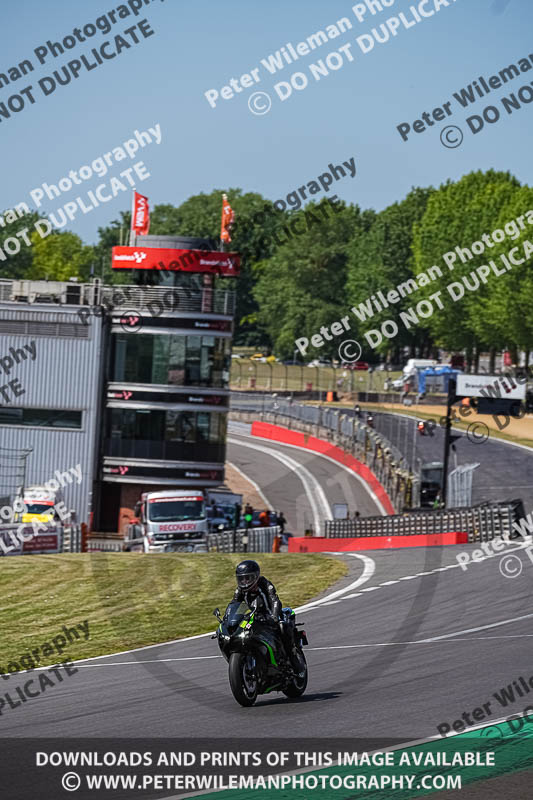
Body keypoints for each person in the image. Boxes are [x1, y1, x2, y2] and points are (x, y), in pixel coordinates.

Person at [233, 560, 299, 670]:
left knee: (283, 627)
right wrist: (230, 620)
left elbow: (275, 601)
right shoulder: (240, 590)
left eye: (247, 578)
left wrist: (274, 617)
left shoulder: (264, 584)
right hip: (255, 617)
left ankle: (293, 657)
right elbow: (236, 605)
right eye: (241, 578)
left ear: (255, 576)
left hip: (271, 615)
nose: (244, 581)